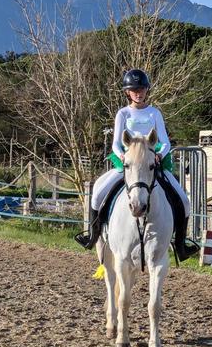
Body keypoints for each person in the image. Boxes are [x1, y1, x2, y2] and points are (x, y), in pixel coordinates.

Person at [75, 69, 199, 261]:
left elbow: (165, 142)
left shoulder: (154, 113)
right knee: (98, 194)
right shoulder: (123, 113)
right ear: (128, 92)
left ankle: (181, 245)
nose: (138, 93)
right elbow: (116, 142)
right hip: (129, 164)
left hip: (151, 163)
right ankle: (92, 236)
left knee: (184, 200)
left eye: (141, 89)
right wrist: (122, 156)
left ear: (146, 90)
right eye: (134, 90)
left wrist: (159, 155)